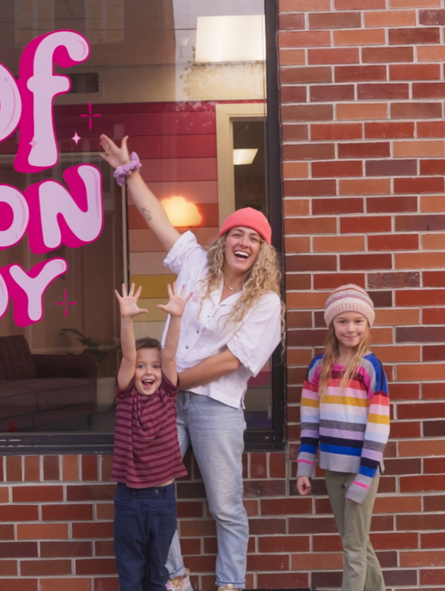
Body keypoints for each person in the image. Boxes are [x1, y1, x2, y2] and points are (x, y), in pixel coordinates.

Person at [100, 135, 284, 591]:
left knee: (225, 505)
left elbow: (231, 361)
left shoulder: (265, 302)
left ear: (263, 252)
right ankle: (176, 578)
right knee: (156, 495)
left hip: (215, 407)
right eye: (237, 233)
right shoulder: (196, 265)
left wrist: (170, 378)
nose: (244, 242)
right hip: (162, 401)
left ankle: (230, 584)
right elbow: (156, 218)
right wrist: (130, 171)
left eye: (254, 238)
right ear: (223, 239)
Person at [294, 285, 391, 591]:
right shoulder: (317, 367)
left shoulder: (370, 367)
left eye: (358, 321)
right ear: (331, 324)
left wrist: (365, 474)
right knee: (357, 543)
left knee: (353, 548)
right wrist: (305, 467)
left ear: (368, 324)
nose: (351, 328)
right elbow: (310, 423)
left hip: (362, 469)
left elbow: (379, 424)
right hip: (332, 468)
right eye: (343, 321)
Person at [112, 282, 191, 591]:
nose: (149, 372)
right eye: (142, 367)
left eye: (154, 367)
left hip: (163, 499)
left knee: (159, 574)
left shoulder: (167, 395)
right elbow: (129, 358)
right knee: (131, 575)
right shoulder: (126, 397)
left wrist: (176, 317)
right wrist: (126, 319)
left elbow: (169, 355)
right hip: (129, 499)